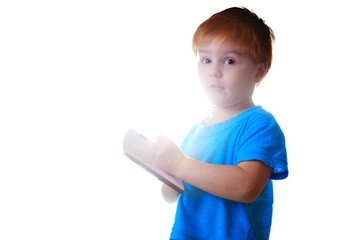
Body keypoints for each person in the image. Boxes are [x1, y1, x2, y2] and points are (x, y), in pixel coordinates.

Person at [152, 6, 288, 240]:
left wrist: (181, 165)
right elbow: (171, 194)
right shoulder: (197, 130)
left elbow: (246, 186)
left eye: (229, 61)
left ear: (259, 71)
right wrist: (165, 170)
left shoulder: (260, 125)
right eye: (205, 59)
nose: (214, 71)